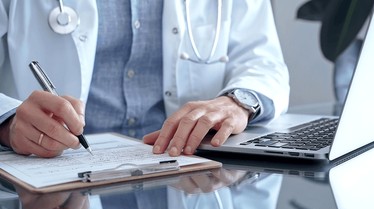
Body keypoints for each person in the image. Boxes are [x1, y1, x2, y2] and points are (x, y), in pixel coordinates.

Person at [0, 1, 289, 158]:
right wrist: (8, 122)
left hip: (188, 170)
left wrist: (237, 102)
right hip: (59, 181)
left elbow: (262, 58)